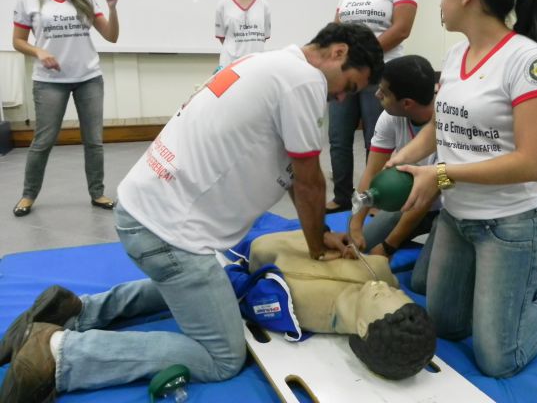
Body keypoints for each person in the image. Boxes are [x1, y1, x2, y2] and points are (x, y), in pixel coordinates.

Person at [0, 22, 384, 402]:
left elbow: (294, 175)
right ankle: (60, 353)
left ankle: (75, 310)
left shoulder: (267, 62)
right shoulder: (305, 81)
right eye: (348, 87)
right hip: (167, 234)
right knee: (223, 357)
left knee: (206, 284)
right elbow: (309, 181)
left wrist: (318, 233)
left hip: (142, 207)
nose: (341, 99)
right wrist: (317, 244)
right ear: (339, 53)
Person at [387, 0, 537, 378]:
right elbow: (440, 125)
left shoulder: (528, 61)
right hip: (457, 219)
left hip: (509, 224)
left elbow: (532, 163)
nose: (440, 1)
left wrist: (439, 174)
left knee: (499, 359)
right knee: (446, 326)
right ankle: (532, 278)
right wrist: (403, 157)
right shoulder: (455, 55)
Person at [11, 0, 119, 217]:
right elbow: (18, 41)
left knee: (93, 141)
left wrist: (112, 8)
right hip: (49, 82)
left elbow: (111, 36)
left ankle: (97, 193)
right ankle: (28, 195)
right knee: (43, 141)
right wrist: (38, 51)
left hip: (89, 78)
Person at [244, 229, 437, 380]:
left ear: (362, 327)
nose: (384, 286)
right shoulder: (380, 272)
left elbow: (250, 268)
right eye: (396, 292)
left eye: (378, 295)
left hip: (260, 239)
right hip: (312, 229)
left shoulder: (293, 303)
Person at [327, 0, 418, 213]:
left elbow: (401, 29)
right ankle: (342, 197)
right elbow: (337, 28)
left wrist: (362, 57)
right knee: (338, 138)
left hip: (380, 73)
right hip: (346, 74)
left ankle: (374, 199)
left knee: (375, 140)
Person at [331, 56, 440, 278]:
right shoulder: (391, 117)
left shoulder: (449, 123)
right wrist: (355, 228)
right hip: (408, 203)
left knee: (422, 282)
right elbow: (372, 171)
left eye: (384, 92)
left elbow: (427, 196)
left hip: (444, 208)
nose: (377, 95)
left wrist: (389, 246)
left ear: (407, 103)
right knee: (363, 246)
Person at [214, 0, 271, 70]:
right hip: (230, 64)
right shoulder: (223, 5)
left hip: (256, 64)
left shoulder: (264, 5)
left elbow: (263, 37)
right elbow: (222, 38)